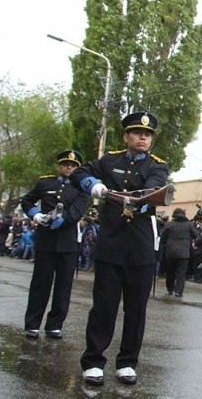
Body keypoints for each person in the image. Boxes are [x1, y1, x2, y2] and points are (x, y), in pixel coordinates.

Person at [71, 111, 169, 386]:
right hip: (111, 242)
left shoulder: (157, 166)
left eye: (147, 134)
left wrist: (133, 198)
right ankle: (93, 361)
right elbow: (80, 172)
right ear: (126, 136)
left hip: (139, 245)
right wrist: (96, 186)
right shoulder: (109, 160)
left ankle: (127, 362)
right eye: (138, 133)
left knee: (136, 309)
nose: (143, 137)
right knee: (103, 305)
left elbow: (153, 191)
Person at [20, 150, 91, 339]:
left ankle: (55, 325)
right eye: (66, 164)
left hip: (68, 242)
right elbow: (27, 200)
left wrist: (63, 219)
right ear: (59, 166)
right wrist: (36, 214)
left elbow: (77, 211)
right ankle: (32, 324)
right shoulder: (45, 182)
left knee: (63, 286)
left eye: (73, 165)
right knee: (40, 284)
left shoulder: (82, 188)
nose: (69, 167)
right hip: (46, 240)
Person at [160, 208, 198, 297]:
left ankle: (170, 289)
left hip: (171, 252)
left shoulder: (169, 225)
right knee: (181, 272)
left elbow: (163, 238)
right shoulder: (189, 224)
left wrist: (167, 244)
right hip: (184, 252)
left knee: (170, 271)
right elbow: (196, 234)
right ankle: (178, 291)